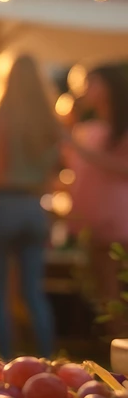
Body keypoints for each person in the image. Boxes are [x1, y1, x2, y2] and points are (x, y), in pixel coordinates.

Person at [0, 55, 60, 357]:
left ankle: (4, 361)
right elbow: (54, 173)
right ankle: (47, 359)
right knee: (33, 291)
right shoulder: (48, 121)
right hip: (34, 207)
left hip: (2, 205)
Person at [65, 64, 128, 318]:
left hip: (118, 219)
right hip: (95, 221)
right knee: (106, 291)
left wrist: (83, 151)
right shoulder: (90, 128)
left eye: (91, 83)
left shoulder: (118, 129)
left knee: (112, 290)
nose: (84, 89)